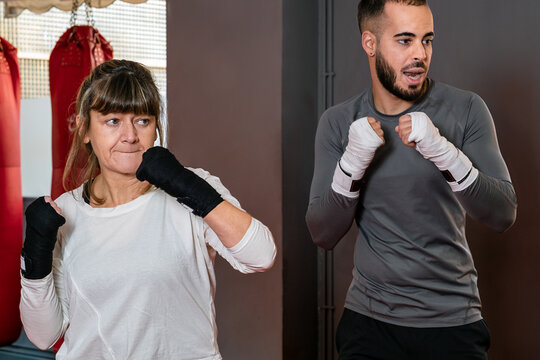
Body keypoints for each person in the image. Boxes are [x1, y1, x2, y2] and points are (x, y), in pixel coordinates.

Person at [19, 59, 276, 360]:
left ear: (156, 126)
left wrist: (186, 186)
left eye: (142, 120)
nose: (130, 135)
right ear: (85, 130)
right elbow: (43, 335)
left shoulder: (194, 189)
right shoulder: (64, 213)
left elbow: (261, 255)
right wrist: (35, 259)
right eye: (113, 121)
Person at [306, 1, 517, 359]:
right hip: (369, 322)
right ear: (370, 43)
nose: (420, 53)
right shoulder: (339, 122)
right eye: (405, 41)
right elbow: (322, 234)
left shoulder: (466, 109)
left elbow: (502, 214)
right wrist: (353, 163)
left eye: (427, 40)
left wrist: (443, 152)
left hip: (452, 320)